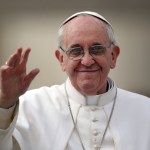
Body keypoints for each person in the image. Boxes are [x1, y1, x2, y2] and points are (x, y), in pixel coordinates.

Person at [0, 11, 150, 150]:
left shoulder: (145, 110)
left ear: (113, 56)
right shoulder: (30, 107)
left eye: (96, 49)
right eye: (76, 51)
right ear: (61, 60)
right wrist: (5, 102)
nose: (87, 60)